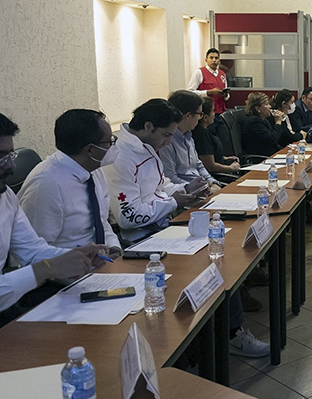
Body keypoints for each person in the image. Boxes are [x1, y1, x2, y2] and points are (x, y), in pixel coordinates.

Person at [0, 113, 102, 323]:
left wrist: (76, 256)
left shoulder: (5, 196)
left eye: (10, 155)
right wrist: (47, 268)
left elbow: (32, 250)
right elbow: (38, 266)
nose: (11, 167)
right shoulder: (47, 181)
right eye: (1, 157)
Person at [18, 109, 122, 257]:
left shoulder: (94, 170)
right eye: (109, 142)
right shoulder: (46, 184)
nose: (114, 146)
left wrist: (114, 247)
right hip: (65, 268)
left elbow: (101, 222)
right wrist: (80, 260)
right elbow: (33, 251)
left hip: (102, 262)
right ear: (91, 150)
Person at [102, 99, 205, 241]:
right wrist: (173, 202)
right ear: (148, 126)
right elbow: (128, 217)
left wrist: (186, 188)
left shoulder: (146, 146)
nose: (168, 142)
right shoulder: (120, 158)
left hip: (164, 224)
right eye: (166, 135)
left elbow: (160, 185)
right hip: (144, 235)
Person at [160, 90, 221, 195]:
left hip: (203, 190)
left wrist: (213, 182)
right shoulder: (166, 142)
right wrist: (201, 188)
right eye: (200, 114)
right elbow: (171, 178)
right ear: (188, 115)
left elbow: (199, 166)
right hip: (187, 194)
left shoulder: (188, 136)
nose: (200, 118)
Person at [193, 97, 241, 180]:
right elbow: (210, 166)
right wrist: (231, 168)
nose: (214, 114)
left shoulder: (205, 131)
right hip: (216, 177)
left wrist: (225, 158)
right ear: (205, 117)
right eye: (213, 111)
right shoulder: (202, 135)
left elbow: (211, 154)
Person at [187, 48, 230, 115]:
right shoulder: (199, 72)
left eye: (216, 58)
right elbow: (190, 93)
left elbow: (226, 96)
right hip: (205, 112)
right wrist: (208, 92)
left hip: (221, 111)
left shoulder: (222, 74)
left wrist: (225, 95)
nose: (214, 60)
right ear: (206, 60)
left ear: (219, 60)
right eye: (211, 58)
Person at [242, 92, 284, 157]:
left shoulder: (264, 120)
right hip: (262, 157)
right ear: (258, 108)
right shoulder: (255, 122)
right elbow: (272, 139)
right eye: (266, 104)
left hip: (271, 153)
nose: (270, 106)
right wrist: (278, 122)